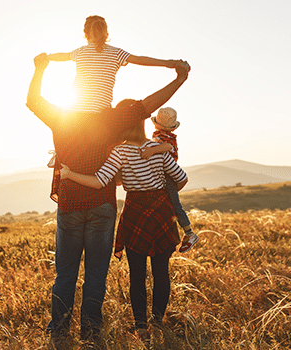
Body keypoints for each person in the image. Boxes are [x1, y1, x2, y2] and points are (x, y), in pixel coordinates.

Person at [26, 52, 190, 346]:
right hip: (103, 206)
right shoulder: (111, 118)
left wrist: (40, 69)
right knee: (96, 275)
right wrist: (178, 78)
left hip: (70, 205)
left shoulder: (61, 116)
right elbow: (147, 106)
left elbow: (33, 101)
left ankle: (59, 331)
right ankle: (91, 332)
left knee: (65, 274)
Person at [59, 116, 188, 342]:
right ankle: (157, 323)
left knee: (137, 275)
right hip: (161, 212)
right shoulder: (157, 148)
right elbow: (181, 178)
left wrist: (70, 175)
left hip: (135, 213)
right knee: (161, 272)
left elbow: (100, 181)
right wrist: (162, 192)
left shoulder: (120, 152)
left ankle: (141, 328)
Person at [47, 15, 179, 113]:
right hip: (101, 113)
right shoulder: (116, 53)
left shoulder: (80, 52)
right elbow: (140, 59)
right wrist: (168, 63)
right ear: (106, 33)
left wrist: (46, 57)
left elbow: (62, 56)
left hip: (75, 111)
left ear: (86, 33)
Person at [140, 107, 199, 252]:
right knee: (169, 205)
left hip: (168, 175)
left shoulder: (165, 138)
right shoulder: (161, 135)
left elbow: (166, 147)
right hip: (165, 174)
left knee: (174, 205)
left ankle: (189, 233)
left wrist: (151, 151)